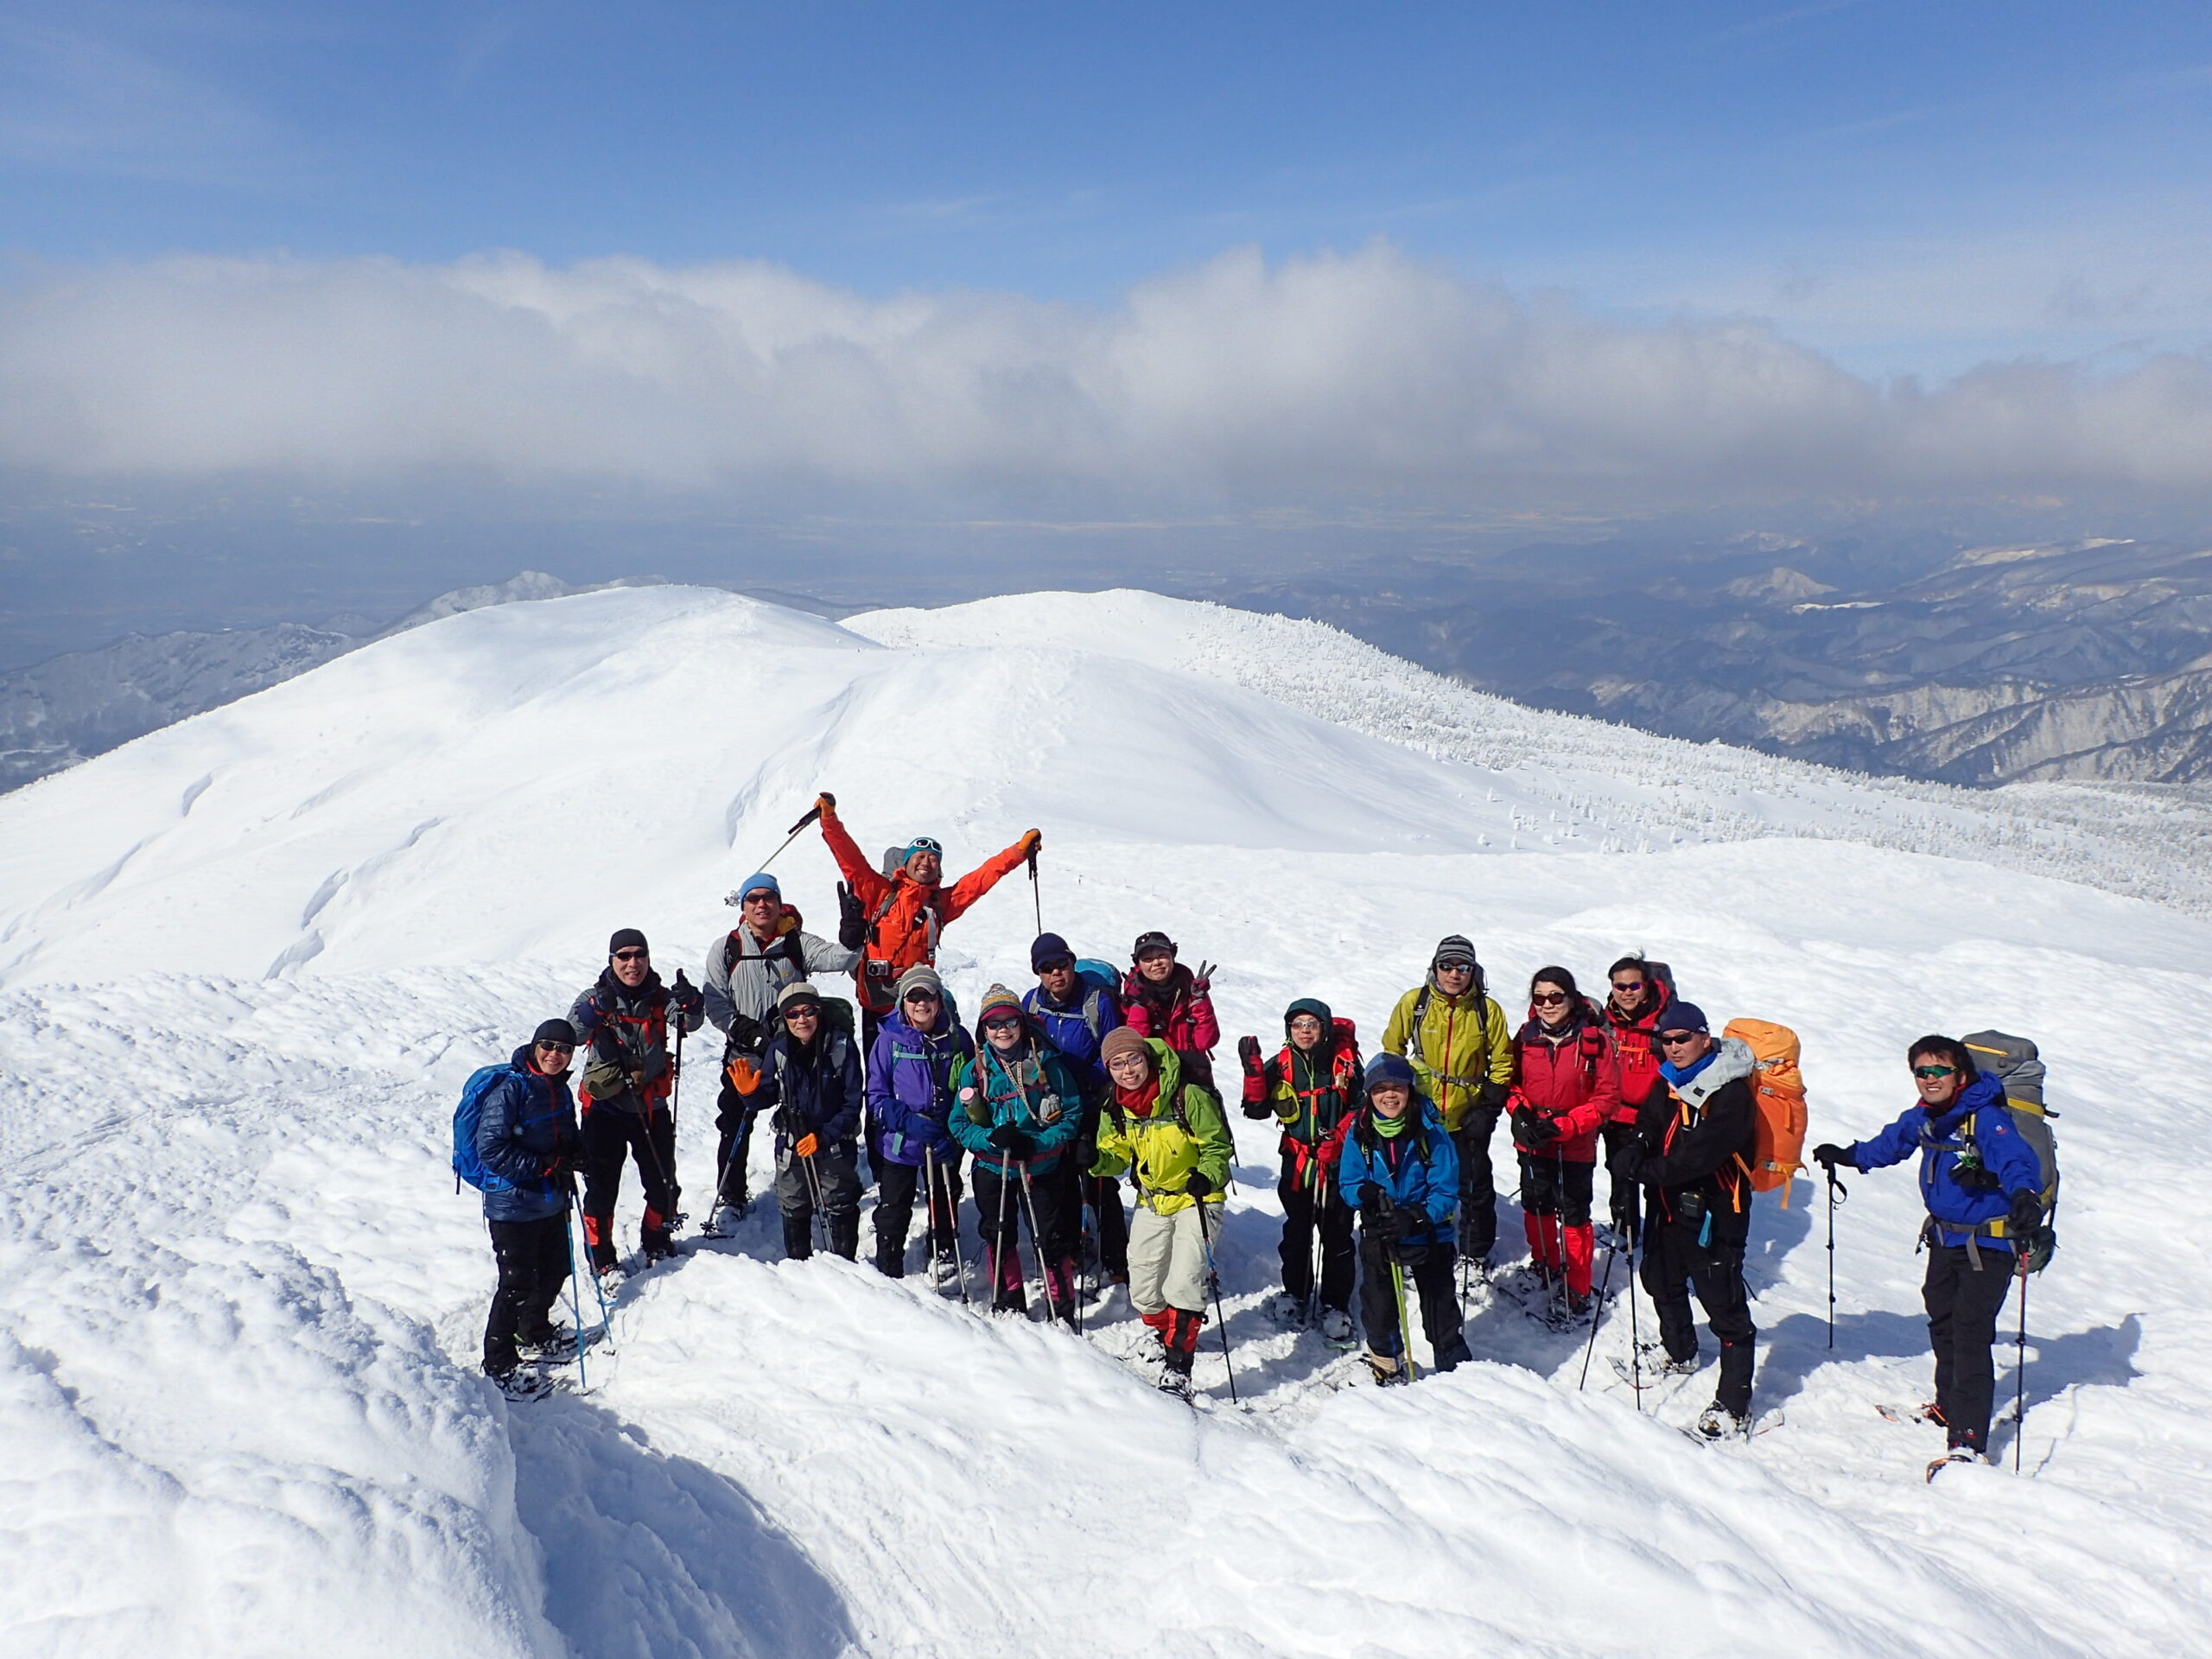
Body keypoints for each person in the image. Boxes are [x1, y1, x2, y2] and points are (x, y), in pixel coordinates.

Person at [1812, 1037, 2046, 1478]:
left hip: (1988, 1244)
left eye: (1939, 1071)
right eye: (1921, 1072)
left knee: (1971, 1332)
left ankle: (1968, 1440)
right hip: (1944, 1239)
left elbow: (2015, 1159)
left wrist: (2025, 1197)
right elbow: (1891, 1144)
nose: (1929, 1079)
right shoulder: (1925, 1118)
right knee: (1942, 1318)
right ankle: (1948, 1406)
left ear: (1961, 1076)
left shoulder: (1986, 1118)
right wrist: (1849, 1157)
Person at [1610, 1001, 1759, 1439]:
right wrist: (1636, 1146)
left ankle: (1735, 1403)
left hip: (1715, 1213)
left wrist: (1641, 1169)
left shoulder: (1730, 1092)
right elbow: (1651, 1122)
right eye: (1666, 1040)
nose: (1672, 1047)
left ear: (1704, 1039)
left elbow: (1700, 1156)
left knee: (1725, 1307)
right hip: (1669, 1206)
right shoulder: (1671, 1081)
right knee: (1658, 1277)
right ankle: (1680, 1351)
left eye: (1682, 1039)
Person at [701, 872, 860, 1231]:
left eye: (768, 897)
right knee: (735, 1122)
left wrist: (852, 936)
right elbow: (715, 1000)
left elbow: (843, 959)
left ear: (778, 901)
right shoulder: (727, 948)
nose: (761, 904)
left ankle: (815, 1186)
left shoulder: (796, 942)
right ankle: (732, 1194)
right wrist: (744, 1030)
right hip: (747, 1054)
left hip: (796, 1052)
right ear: (742, 907)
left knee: (806, 1118)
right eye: (753, 899)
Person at [810, 795, 1038, 1042]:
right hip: (876, 1004)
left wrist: (1019, 852)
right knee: (880, 1072)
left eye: (933, 859)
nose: (926, 862)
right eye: (919, 856)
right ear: (906, 863)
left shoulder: (940, 904)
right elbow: (850, 860)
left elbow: (981, 880)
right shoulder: (879, 892)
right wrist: (829, 820)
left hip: (919, 1007)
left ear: (938, 870)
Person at [1092, 1029, 1234, 1397]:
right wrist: (1095, 1161)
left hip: (1197, 1196)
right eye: (1118, 1064)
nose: (1128, 1071)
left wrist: (1207, 1175)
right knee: (1143, 1288)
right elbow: (1116, 1156)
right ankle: (1166, 1335)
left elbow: (1217, 1146)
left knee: (1185, 1282)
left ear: (1147, 1058)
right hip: (1153, 1198)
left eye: (1134, 1060)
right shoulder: (1116, 1105)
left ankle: (1178, 1366)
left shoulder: (1187, 1096)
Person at [570, 929, 705, 1276]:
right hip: (604, 1110)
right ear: (612, 960)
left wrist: (693, 1002)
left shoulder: (662, 997)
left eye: (639, 955)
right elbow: (573, 1035)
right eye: (624, 956)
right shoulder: (593, 997)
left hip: (651, 1106)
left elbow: (689, 1021)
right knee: (601, 1189)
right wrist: (593, 1011)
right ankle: (602, 1259)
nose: (633, 963)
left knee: (664, 1183)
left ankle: (656, 1240)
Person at [1336, 1054, 1472, 1384]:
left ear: (1410, 1089)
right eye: (1380, 1088)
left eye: (1396, 1086)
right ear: (1369, 1092)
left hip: (1430, 1234)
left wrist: (1418, 1216)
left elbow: (1446, 1188)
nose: (1389, 1095)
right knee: (1379, 1309)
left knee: (1440, 1311)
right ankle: (1386, 1364)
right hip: (1381, 1233)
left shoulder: (1432, 1132)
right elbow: (1348, 1183)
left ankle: (1458, 1374)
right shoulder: (1361, 1131)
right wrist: (1364, 1198)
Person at [1382, 935, 1515, 1272]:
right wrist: (1396, 1099)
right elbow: (1391, 1051)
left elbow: (1502, 1063)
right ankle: (1421, 1242)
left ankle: (1475, 1252)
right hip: (1422, 1113)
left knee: (1474, 1186)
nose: (1454, 974)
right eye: (1447, 966)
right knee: (1418, 1182)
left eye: (1463, 967)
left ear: (1474, 971)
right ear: (1435, 967)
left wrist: (1487, 1109)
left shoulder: (1487, 1011)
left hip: (1468, 1113)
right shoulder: (1416, 1002)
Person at [949, 984, 1083, 1319]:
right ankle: (1008, 1301)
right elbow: (959, 1124)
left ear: (1022, 1024)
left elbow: (1072, 1114)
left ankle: (1061, 1307)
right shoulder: (974, 1070)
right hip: (994, 1168)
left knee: (1050, 1237)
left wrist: (1036, 1143)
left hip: (1042, 1167)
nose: (1003, 1030)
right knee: (998, 1233)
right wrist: (991, 1139)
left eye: (1010, 1021)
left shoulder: (1047, 1064)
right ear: (984, 1030)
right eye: (994, 1024)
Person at [473, 1019, 585, 1398]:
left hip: (549, 1198)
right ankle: (498, 1365)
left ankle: (533, 1332)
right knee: (517, 1283)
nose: (556, 1054)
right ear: (535, 1046)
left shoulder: (559, 1089)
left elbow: (565, 1133)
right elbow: (490, 1148)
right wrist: (543, 1165)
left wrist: (575, 1153)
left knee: (555, 1269)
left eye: (564, 1049)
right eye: (549, 1046)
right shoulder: (511, 1090)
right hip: (512, 1204)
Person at [1238, 997, 1362, 1339]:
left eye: (1311, 1024)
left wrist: (1339, 1138)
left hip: (1336, 1164)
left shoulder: (1345, 1063)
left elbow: (1363, 1106)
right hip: (1297, 1161)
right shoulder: (1281, 1063)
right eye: (1298, 1025)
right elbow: (1258, 1109)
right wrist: (1252, 1073)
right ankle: (1296, 1292)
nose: (1305, 1031)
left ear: (1324, 1027)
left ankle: (1336, 1303)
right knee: (1297, 1230)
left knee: (1337, 1233)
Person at [1507, 966, 1622, 1316]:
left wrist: (1569, 1125)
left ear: (1571, 999)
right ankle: (1545, 1262)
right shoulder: (1525, 1037)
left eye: (1555, 997)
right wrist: (1520, 1113)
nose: (1547, 1004)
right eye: (1540, 998)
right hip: (1533, 1139)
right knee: (1536, 1203)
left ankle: (1577, 1284)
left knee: (1573, 1211)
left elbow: (1608, 1097)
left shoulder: (1594, 1041)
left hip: (1575, 1142)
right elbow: (1509, 1082)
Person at [1023, 933, 1129, 1294]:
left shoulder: (1096, 1002)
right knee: (1060, 1178)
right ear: (1038, 972)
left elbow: (1111, 1050)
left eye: (1062, 965)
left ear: (1072, 963)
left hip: (1090, 1104)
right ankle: (1072, 1247)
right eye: (1047, 968)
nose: (1056, 974)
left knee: (1098, 1178)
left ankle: (1117, 1257)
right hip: (1050, 1107)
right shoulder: (1032, 1003)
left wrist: (1084, 1082)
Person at [736, 981, 864, 1261]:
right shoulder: (779, 1051)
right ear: (785, 1019)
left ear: (819, 1012)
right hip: (791, 1142)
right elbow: (767, 1095)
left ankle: (847, 1270)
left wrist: (825, 1135)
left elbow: (853, 1103)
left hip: (833, 1143)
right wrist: (749, 1094)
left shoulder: (841, 1046)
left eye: (808, 1011)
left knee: (840, 1202)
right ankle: (799, 1268)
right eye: (793, 1014)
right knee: (793, 1203)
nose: (801, 1019)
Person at [865, 965, 975, 1282]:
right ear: (903, 1003)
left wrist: (952, 1130)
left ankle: (942, 1249)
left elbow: (969, 1087)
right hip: (900, 1140)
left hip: (943, 1135)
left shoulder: (957, 1039)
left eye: (927, 995)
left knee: (944, 1193)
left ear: (939, 1000)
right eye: (913, 997)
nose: (921, 1003)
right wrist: (907, 1122)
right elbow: (875, 1096)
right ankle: (889, 1259)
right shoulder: (889, 1040)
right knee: (894, 1205)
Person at [1598, 956, 1674, 1245]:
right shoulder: (1607, 1020)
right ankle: (1624, 1232)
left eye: (1634, 985)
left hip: (1656, 1118)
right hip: (1615, 1116)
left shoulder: (1666, 1021)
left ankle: (1659, 1240)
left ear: (1646, 985)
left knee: (1657, 1182)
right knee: (1619, 1174)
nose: (1627, 992)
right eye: (1620, 986)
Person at [1120, 931, 1221, 1088]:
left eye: (1162, 956)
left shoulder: (1191, 990)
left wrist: (1201, 1001)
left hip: (1194, 1077)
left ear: (1173, 955)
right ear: (1138, 963)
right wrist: (1139, 1006)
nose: (1156, 963)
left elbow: (1206, 1041)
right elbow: (1136, 1045)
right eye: (1148, 959)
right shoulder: (1133, 996)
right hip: (1155, 1080)